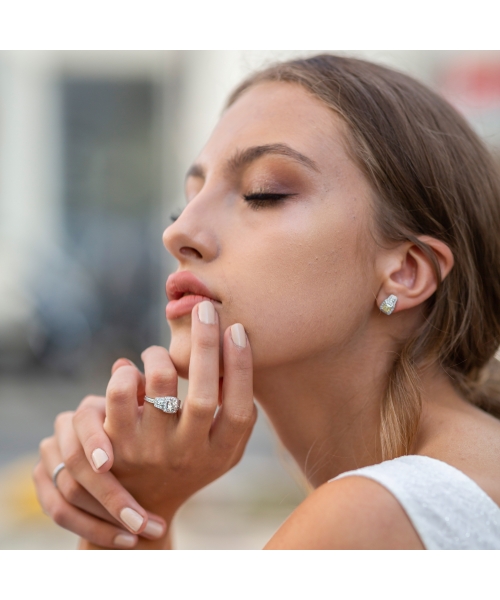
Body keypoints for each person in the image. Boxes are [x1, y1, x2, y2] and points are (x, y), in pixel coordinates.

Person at [34, 54, 500, 549]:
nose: (178, 232)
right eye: (185, 201)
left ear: (406, 272)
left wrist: (129, 525)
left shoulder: (367, 518)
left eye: (263, 193)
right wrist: (138, 498)